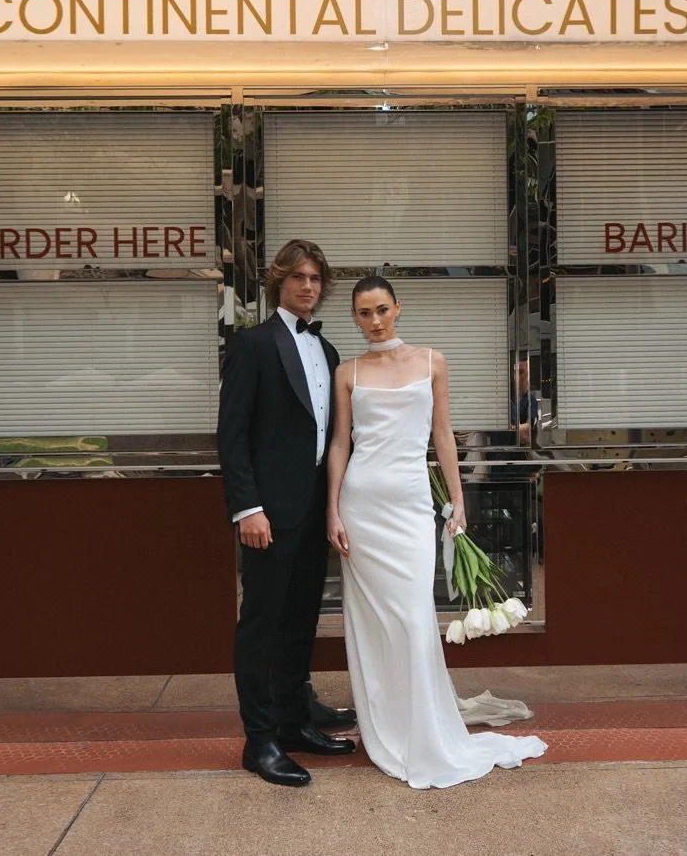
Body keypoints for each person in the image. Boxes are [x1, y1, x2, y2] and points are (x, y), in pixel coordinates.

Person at [326, 276, 547, 789]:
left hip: (408, 507)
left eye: (381, 309)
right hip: (361, 506)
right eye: (363, 313)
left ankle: (424, 731)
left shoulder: (432, 362)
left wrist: (458, 501)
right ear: (356, 318)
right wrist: (332, 510)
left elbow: (443, 434)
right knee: (373, 626)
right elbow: (340, 444)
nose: (374, 320)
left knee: (413, 619)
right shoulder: (348, 372)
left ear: (398, 309)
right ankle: (387, 726)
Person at [216, 239, 357, 787]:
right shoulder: (253, 345)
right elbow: (232, 437)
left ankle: (295, 724)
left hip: (313, 513)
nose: (308, 286)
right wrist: (247, 507)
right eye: (298, 277)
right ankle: (259, 741)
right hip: (267, 517)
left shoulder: (327, 352)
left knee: (301, 623)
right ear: (279, 281)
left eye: (316, 279)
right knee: (261, 628)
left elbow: (332, 437)